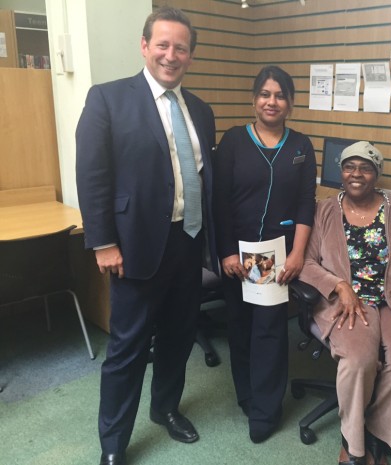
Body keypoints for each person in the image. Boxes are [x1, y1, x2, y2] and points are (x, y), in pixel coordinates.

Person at [75, 7, 218, 465]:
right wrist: (103, 241)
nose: (171, 55)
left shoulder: (200, 109)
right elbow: (93, 176)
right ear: (144, 46)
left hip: (187, 241)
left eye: (180, 48)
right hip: (134, 245)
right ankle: (113, 444)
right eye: (163, 45)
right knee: (127, 347)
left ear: (190, 55)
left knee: (179, 335)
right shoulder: (108, 100)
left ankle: (166, 409)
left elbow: (202, 174)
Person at [299, 141, 391, 465]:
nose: (356, 174)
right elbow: (306, 263)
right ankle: (352, 444)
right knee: (358, 358)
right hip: (345, 303)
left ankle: (378, 435)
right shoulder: (324, 210)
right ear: (341, 172)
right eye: (350, 167)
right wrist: (339, 285)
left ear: (376, 174)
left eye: (365, 168)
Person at [213, 65, 317, 443]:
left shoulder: (301, 146)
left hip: (275, 256)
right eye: (265, 94)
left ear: (290, 102)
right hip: (238, 257)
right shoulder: (234, 141)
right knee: (240, 329)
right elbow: (219, 203)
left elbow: (307, 204)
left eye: (280, 95)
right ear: (254, 98)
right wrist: (225, 253)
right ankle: (248, 395)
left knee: (271, 332)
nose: (272, 102)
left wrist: (298, 254)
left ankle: (266, 411)